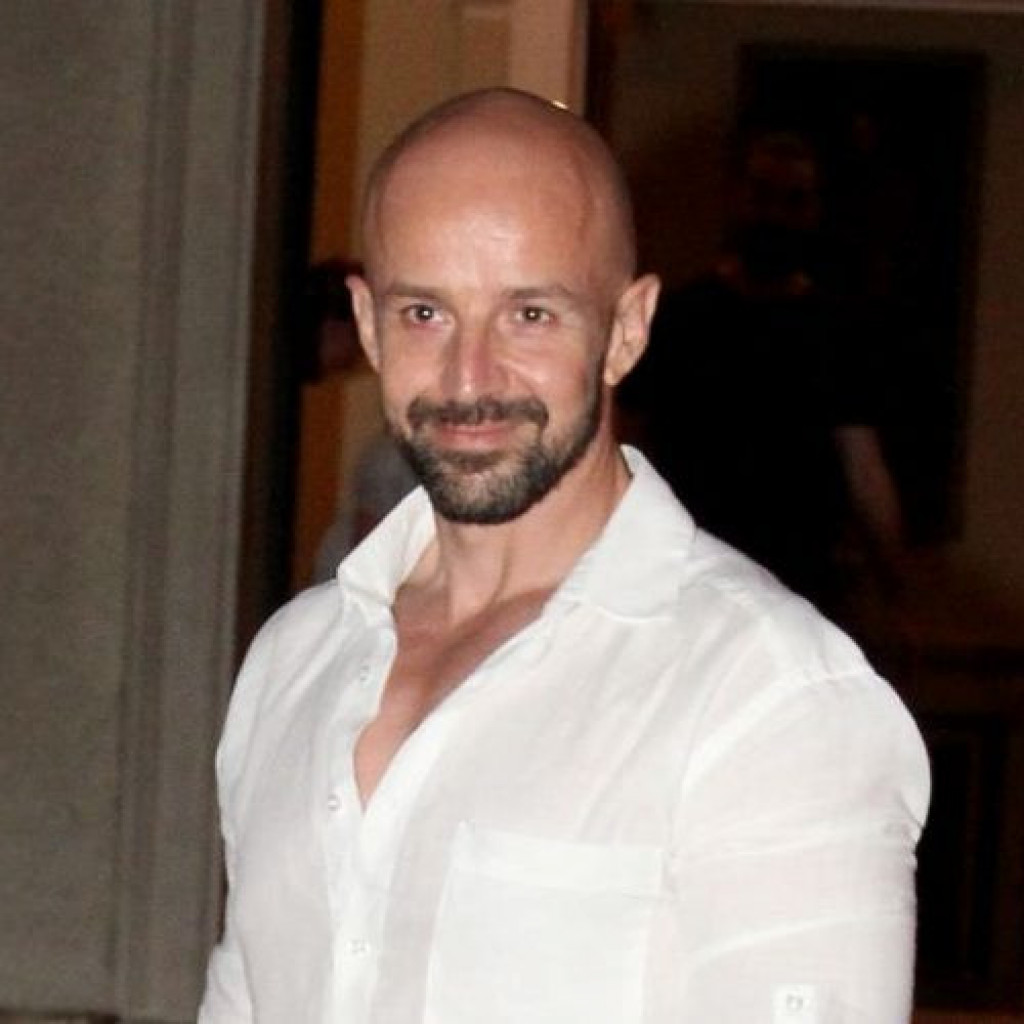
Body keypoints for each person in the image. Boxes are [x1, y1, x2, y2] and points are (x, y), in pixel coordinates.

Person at [199, 89, 929, 1023]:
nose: (469, 377)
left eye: (530, 315)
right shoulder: (293, 661)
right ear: (368, 323)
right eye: (425, 312)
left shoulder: (770, 696)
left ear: (627, 330)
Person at [620, 130, 904, 618]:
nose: (775, 215)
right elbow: (626, 447)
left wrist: (893, 588)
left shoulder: (837, 330)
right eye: (762, 195)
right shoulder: (679, 319)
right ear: (736, 197)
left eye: (794, 200)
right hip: (688, 582)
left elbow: (864, 469)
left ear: (815, 210)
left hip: (800, 586)